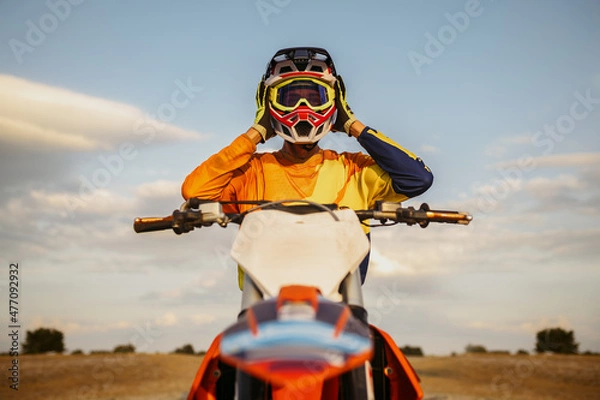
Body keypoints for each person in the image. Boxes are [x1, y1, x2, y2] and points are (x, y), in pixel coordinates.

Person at [182, 47, 433, 288]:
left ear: (335, 102)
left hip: (340, 306)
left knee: (375, 336)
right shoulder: (251, 171)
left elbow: (416, 178)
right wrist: (256, 132)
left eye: (315, 97)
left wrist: (352, 124)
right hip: (262, 306)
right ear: (269, 104)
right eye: (290, 97)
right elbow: (196, 192)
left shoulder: (352, 169)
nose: (303, 107)